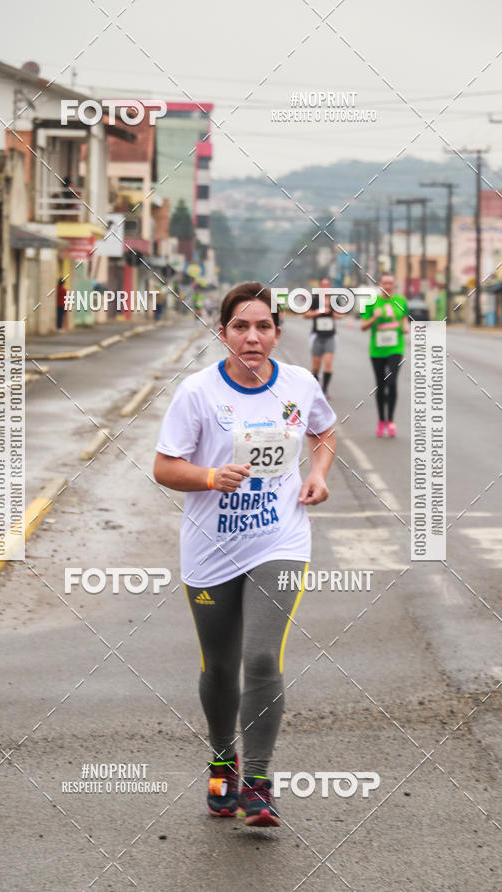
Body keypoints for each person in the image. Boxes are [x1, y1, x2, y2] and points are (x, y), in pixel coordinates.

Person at [154, 282, 336, 827]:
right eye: (240, 326)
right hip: (211, 551)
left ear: (278, 334)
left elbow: (324, 432)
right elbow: (165, 466)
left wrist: (319, 475)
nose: (252, 336)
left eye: (262, 327)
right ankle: (221, 761)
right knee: (220, 667)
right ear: (223, 332)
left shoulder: (300, 385)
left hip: (279, 541)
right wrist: (210, 476)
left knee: (261, 657)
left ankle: (257, 781)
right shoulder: (198, 393)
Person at [361, 273, 409, 437]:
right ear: (380, 284)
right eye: (385, 283)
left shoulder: (401, 301)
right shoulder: (372, 302)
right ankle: (381, 420)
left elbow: (403, 318)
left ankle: (391, 420)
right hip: (377, 350)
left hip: (395, 348)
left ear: (394, 285)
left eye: (391, 283)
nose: (388, 286)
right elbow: (363, 326)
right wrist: (374, 318)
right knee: (381, 386)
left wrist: (405, 326)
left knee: (392, 382)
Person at [303, 277, 345, 397]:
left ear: (330, 286)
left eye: (327, 285)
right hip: (317, 335)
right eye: (323, 285)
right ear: (320, 287)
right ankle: (315, 391)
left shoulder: (335, 300)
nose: (325, 288)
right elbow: (305, 315)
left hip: (330, 335)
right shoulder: (315, 300)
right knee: (315, 366)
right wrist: (318, 312)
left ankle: (325, 390)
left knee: (328, 363)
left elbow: (341, 315)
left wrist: (331, 313)